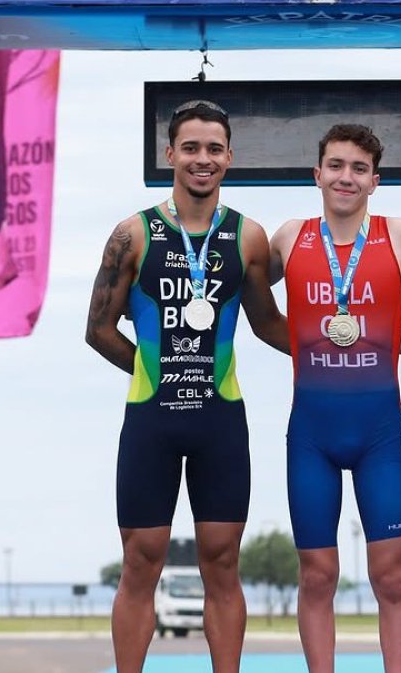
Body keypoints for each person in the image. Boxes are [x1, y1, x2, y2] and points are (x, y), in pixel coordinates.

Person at [85, 99, 288, 673]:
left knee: (222, 561)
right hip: (152, 420)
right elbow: (98, 329)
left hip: (219, 422)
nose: (203, 159)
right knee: (141, 561)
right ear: (170, 154)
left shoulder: (248, 237)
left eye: (214, 148)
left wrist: (337, 349)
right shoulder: (133, 234)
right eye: (191, 147)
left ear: (230, 157)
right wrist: (155, 371)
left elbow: (269, 324)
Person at [268, 124, 401, 673]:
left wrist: (382, 343)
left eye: (359, 168)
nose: (346, 176)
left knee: (390, 574)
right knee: (317, 574)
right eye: (336, 165)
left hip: (380, 435)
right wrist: (301, 341)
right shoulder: (291, 236)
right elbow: (239, 296)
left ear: (375, 181)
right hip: (312, 436)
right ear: (317, 174)